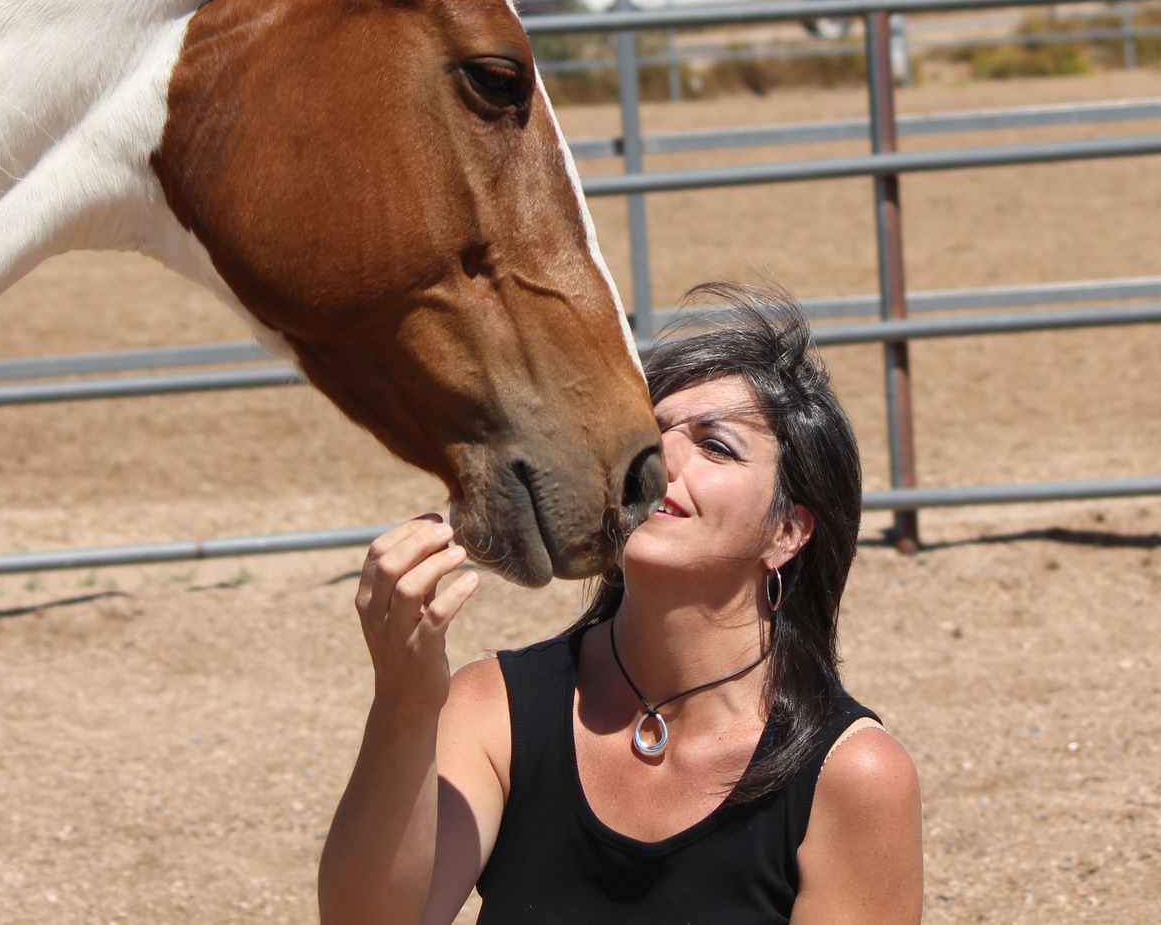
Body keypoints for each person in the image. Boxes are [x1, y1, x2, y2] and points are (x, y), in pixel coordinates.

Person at [321, 284, 923, 924]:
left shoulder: (851, 774)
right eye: (651, 429)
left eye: (716, 445)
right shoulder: (491, 710)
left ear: (787, 533)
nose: (661, 456)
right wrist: (403, 705)